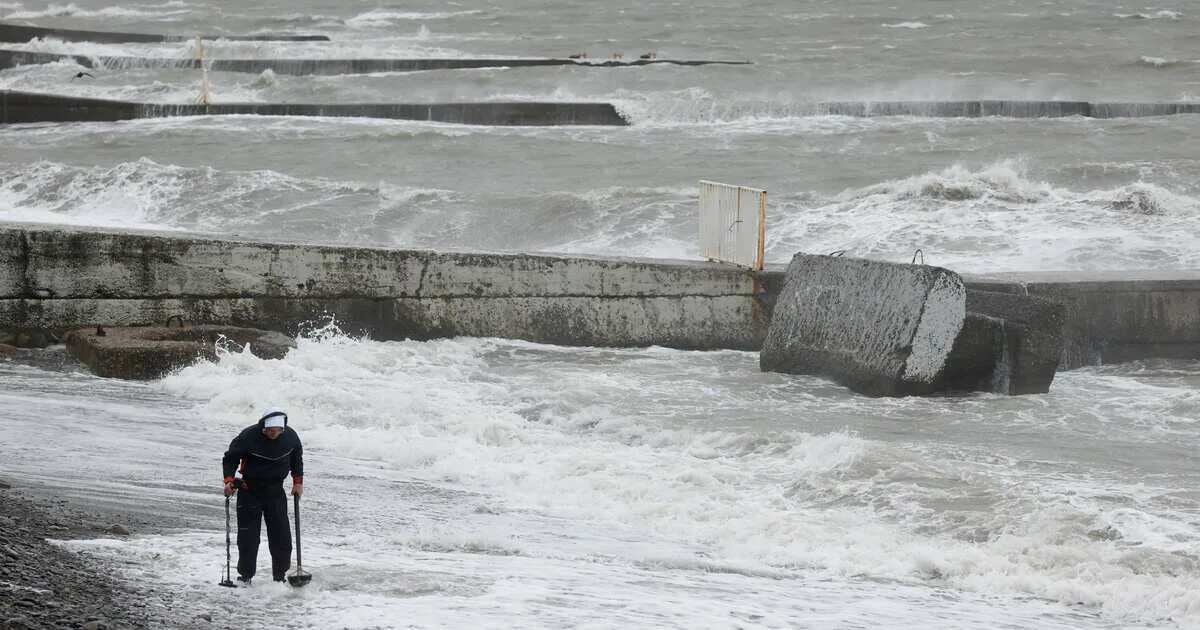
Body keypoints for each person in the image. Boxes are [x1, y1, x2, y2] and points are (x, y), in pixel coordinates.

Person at [222, 407, 304, 583]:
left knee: (282, 537)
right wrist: (229, 480)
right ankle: (246, 575)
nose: (274, 434)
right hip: (249, 490)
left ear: (283, 428)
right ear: (264, 427)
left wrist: (298, 482)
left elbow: (297, 458)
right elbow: (231, 458)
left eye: (277, 431)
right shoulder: (248, 436)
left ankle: (279, 576)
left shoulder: (290, 437)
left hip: (276, 492)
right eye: (270, 431)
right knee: (248, 538)